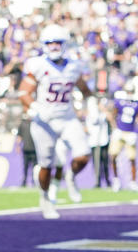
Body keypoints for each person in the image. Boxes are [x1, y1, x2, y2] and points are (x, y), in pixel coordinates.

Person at [18, 25, 95, 219]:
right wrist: (35, 108)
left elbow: (85, 90)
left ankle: (70, 176)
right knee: (46, 164)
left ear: (64, 44)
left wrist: (91, 106)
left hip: (67, 117)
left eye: (57, 42)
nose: (53, 46)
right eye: (49, 43)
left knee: (84, 155)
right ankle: (44, 198)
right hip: (44, 120)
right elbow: (23, 93)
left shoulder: (74, 66)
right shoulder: (37, 65)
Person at [109, 80, 138, 192]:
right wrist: (115, 128)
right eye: (128, 91)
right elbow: (113, 115)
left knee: (132, 158)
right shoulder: (119, 102)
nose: (129, 93)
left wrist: (137, 131)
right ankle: (116, 180)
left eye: (131, 91)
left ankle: (133, 182)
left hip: (130, 132)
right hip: (120, 131)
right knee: (113, 155)